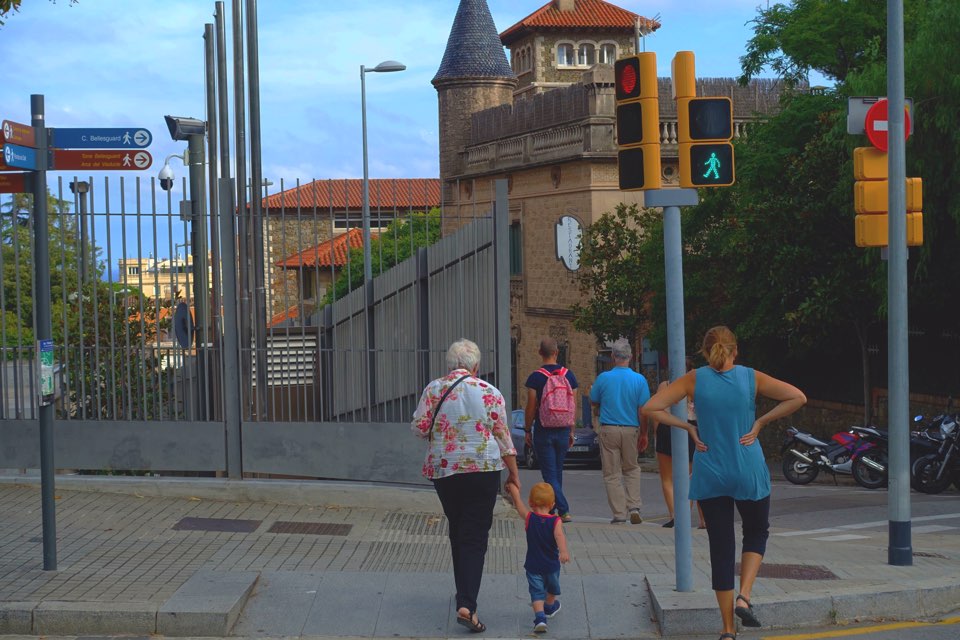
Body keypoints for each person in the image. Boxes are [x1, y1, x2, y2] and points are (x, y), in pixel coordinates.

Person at [642, 326, 806, 640]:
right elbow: (798, 397)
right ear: (735, 350)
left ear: (706, 352)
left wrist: (688, 428)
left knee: (721, 546)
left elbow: (650, 407)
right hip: (747, 465)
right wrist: (760, 422)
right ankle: (745, 595)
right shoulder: (751, 377)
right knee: (756, 531)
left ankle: (728, 629)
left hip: (711, 469)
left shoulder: (694, 379)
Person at [411, 338, 520, 633]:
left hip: (444, 469)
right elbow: (503, 437)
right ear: (476, 366)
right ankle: (467, 605)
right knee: (475, 535)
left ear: (450, 365)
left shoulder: (434, 389)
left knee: (458, 528)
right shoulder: (489, 392)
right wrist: (514, 475)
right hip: (482, 469)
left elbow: (419, 428)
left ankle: (464, 593)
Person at [588, 338, 650, 524]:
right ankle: (634, 507)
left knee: (612, 473)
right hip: (631, 429)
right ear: (630, 357)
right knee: (632, 468)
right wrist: (644, 433)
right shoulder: (639, 380)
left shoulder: (603, 378)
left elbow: (593, 400)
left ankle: (619, 513)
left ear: (613, 356)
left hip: (609, 429)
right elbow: (643, 411)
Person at [505, 481, 570, 634]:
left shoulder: (529, 518)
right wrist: (563, 552)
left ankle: (540, 618)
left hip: (533, 565)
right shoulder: (555, 521)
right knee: (552, 587)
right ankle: (550, 607)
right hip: (551, 565)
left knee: (536, 592)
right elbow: (559, 536)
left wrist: (514, 491)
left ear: (531, 503)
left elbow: (518, 505)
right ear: (552, 504)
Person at [524, 338, 578, 522]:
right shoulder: (569, 376)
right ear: (557, 352)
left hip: (544, 429)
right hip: (563, 429)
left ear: (540, 353)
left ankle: (563, 510)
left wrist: (527, 429)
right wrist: (572, 430)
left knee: (549, 474)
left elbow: (531, 407)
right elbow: (573, 405)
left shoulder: (536, 378)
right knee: (557, 472)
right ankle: (552, 509)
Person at [653, 362, 706, 529]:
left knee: (668, 478)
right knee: (691, 477)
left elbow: (657, 411)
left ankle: (675, 515)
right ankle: (693, 518)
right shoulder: (697, 386)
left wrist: (656, 432)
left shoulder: (666, 385)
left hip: (667, 427)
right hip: (691, 429)